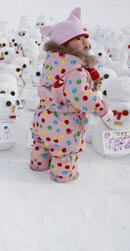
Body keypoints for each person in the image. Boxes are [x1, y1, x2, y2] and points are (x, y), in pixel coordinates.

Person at [29, 7, 113, 183]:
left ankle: (39, 163)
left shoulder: (52, 61)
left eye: (86, 37)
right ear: (65, 43)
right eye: (78, 39)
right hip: (64, 123)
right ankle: (63, 174)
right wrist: (102, 108)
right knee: (64, 151)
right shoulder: (75, 71)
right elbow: (82, 96)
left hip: (42, 117)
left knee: (41, 144)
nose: (85, 43)